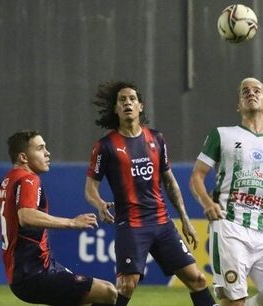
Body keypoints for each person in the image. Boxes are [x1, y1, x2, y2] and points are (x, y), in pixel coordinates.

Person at [84, 81, 217, 306]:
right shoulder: (105, 146)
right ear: (115, 109)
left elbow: (169, 181)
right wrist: (99, 203)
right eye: (122, 100)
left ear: (141, 106)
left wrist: (184, 219)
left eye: (132, 99)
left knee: (198, 278)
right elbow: (90, 188)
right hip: (132, 224)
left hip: (162, 223)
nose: (128, 103)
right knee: (127, 285)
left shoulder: (156, 138)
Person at [0, 130, 117, 306]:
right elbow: (26, 216)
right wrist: (72, 222)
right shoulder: (28, 180)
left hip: (24, 275)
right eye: (40, 148)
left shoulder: (5, 184)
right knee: (108, 292)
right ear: (24, 157)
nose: (47, 153)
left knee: (85, 301)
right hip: (35, 273)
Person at [189, 77, 263, 306]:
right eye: (245, 91)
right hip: (229, 226)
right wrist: (208, 204)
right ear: (239, 104)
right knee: (234, 301)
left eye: (257, 90)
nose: (251, 93)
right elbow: (196, 177)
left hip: (262, 230)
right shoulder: (222, 135)